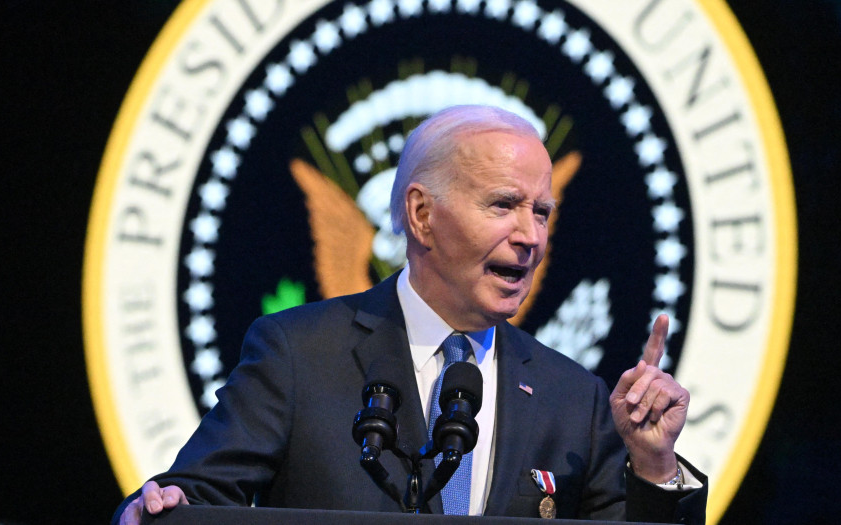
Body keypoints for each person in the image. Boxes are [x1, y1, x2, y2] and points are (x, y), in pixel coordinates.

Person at [114, 105, 708, 524]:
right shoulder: (299, 354)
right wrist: (151, 512)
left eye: (543, 212)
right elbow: (189, 501)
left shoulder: (572, 398)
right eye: (504, 205)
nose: (530, 236)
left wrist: (653, 463)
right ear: (421, 215)